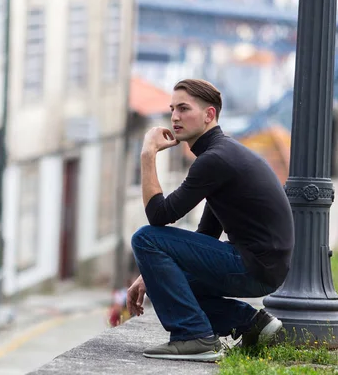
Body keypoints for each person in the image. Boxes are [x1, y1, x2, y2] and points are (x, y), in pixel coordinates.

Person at [126, 79, 294, 362]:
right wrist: (150, 274)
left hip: (255, 265)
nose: (175, 117)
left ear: (209, 115)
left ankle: (193, 337)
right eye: (172, 109)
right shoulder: (222, 154)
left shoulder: (214, 159)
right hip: (266, 267)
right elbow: (206, 233)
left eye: (184, 108)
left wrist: (147, 155)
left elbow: (158, 215)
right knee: (166, 282)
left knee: (144, 237)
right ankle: (252, 324)